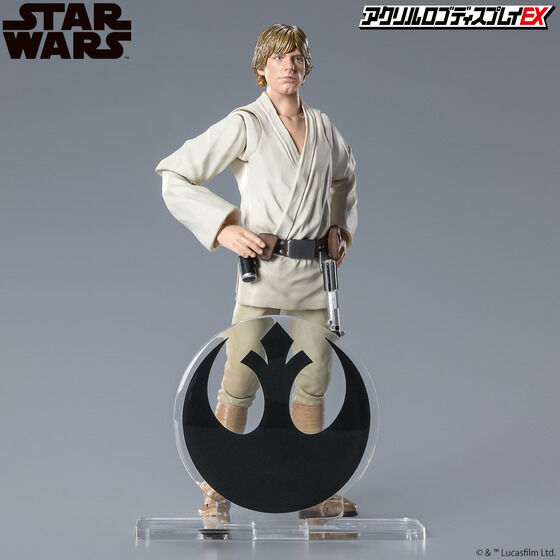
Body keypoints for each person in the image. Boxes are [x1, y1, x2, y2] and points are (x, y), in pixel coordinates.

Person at [156, 24, 358, 522]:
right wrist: (224, 228)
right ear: (262, 67)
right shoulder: (247, 123)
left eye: (297, 58)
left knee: (314, 376)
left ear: (307, 67)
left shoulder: (324, 127)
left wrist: (340, 227)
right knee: (240, 375)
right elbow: (175, 173)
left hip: (313, 272)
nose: (289, 66)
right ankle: (217, 485)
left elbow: (344, 179)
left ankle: (312, 488)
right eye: (278, 58)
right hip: (262, 272)